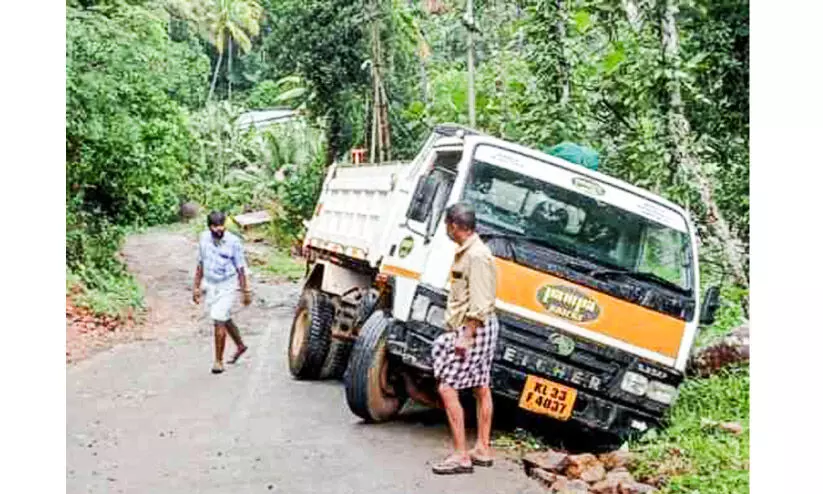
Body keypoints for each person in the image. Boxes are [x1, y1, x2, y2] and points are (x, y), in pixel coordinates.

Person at [430, 202, 499, 475]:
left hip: (475, 327)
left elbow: (480, 301)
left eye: (447, 225)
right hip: (479, 325)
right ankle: (482, 447)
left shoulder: (477, 256)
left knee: (447, 387)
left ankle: (461, 455)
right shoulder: (469, 252)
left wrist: (467, 335)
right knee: (481, 386)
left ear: (454, 226)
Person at [192, 211, 251, 374]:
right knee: (223, 317)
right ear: (209, 227)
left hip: (228, 283)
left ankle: (218, 361)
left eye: (221, 225)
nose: (219, 229)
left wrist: (245, 290)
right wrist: (196, 287)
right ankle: (240, 345)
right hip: (211, 284)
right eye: (215, 226)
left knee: (218, 318)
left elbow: (240, 268)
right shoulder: (203, 239)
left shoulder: (233, 242)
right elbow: (200, 263)